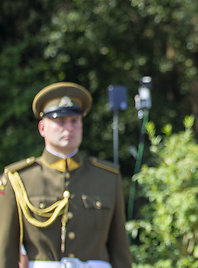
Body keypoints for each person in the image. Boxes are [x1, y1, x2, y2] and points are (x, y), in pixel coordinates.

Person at [0, 82, 132, 267]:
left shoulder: (107, 178)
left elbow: (120, 250)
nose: (69, 128)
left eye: (74, 121)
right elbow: (6, 251)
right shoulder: (18, 179)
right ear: (42, 128)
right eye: (60, 122)